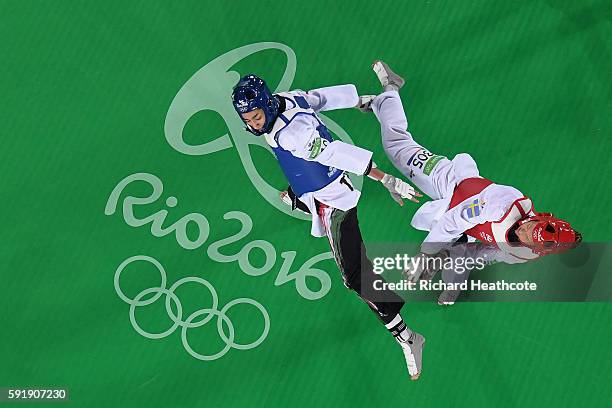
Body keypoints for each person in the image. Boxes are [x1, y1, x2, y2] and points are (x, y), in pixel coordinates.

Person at [231, 74, 426, 380]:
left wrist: (387, 180)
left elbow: (333, 153)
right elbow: (316, 97)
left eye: (256, 117)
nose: (253, 124)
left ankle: (407, 337)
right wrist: (359, 99)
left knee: (355, 277)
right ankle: (300, 197)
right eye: (247, 119)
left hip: (335, 200)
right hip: (313, 187)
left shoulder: (293, 135)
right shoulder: (286, 99)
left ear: (267, 106)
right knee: (298, 193)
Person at [359, 61, 581, 294]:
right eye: (532, 226)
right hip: (450, 182)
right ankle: (390, 90)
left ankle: (451, 289)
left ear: (538, 250)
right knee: (396, 147)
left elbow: (483, 254)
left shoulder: (523, 253)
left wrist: (442, 257)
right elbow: (452, 221)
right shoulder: (504, 204)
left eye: (529, 237)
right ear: (542, 217)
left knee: (457, 261)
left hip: (465, 229)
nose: (525, 230)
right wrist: (425, 255)